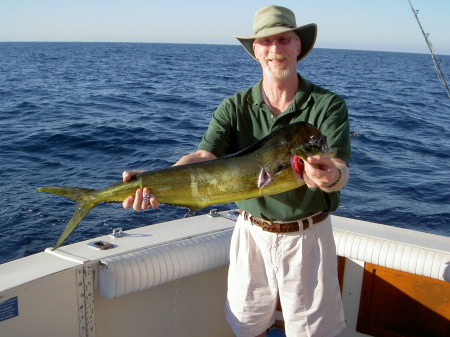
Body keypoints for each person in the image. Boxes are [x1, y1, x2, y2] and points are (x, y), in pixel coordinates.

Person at [123, 5, 350, 337]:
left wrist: (330, 176)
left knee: (311, 333)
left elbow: (339, 168)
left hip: (307, 237)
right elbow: (203, 154)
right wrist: (157, 178)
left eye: (284, 40)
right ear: (255, 50)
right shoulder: (235, 106)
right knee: (247, 325)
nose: (276, 50)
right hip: (250, 233)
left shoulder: (327, 105)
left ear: (298, 45)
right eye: (266, 42)